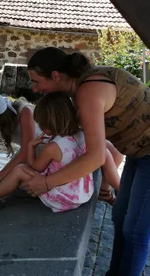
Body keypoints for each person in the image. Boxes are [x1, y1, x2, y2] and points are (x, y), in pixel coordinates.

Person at [24, 47, 150, 276]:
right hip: (139, 151)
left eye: (36, 81)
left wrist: (46, 182)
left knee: (135, 229)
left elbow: (96, 156)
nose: (34, 89)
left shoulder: (88, 91)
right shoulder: (82, 85)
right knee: (121, 213)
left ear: (56, 76)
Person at [0, 92, 120, 213]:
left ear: (49, 125)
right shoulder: (83, 135)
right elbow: (104, 156)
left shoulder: (52, 148)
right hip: (83, 193)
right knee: (104, 152)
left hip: (62, 198)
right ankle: (118, 191)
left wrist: (31, 148)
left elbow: (34, 168)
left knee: (19, 170)